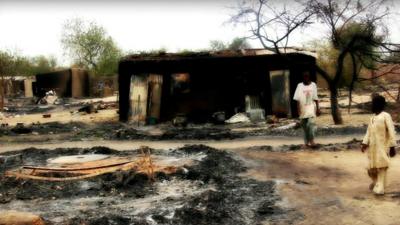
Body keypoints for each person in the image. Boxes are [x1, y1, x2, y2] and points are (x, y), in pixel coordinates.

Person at [361, 95, 397, 195]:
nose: (373, 105)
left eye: (375, 103)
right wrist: (364, 143)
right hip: (372, 147)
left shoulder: (386, 116)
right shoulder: (372, 118)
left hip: (382, 146)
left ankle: (380, 186)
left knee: (382, 166)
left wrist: (392, 146)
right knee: (371, 168)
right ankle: (376, 182)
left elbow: (391, 131)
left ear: (380, 104)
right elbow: (368, 132)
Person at [293, 71, 321, 148]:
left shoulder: (313, 85)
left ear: (309, 77)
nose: (305, 78)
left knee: (310, 124)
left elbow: (316, 98)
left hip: (311, 109)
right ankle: (306, 143)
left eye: (307, 76)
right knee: (305, 127)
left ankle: (312, 141)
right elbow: (297, 99)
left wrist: (318, 109)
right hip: (303, 109)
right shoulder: (299, 85)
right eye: (304, 77)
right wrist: (298, 110)